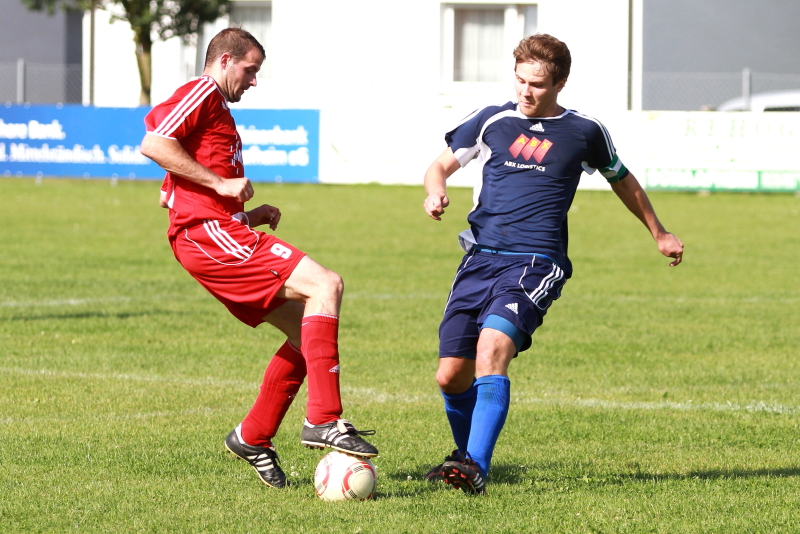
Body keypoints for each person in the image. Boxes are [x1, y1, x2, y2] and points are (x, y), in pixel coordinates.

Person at [421, 33, 684, 495]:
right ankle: (464, 457)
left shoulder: (584, 131)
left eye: (537, 84)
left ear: (560, 83)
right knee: (450, 375)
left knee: (492, 349)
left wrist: (659, 233)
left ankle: (476, 468)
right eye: (520, 80)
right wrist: (435, 190)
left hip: (536, 262)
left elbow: (623, 181)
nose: (526, 91)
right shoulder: (491, 119)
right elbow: (439, 166)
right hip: (479, 258)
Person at [139, 28, 377, 490]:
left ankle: (252, 436)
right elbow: (154, 143)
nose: (253, 81)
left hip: (215, 232)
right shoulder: (202, 90)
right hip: (206, 236)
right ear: (225, 60)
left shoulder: (217, 109)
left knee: (306, 334)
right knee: (326, 284)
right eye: (250, 70)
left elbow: (181, 192)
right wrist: (220, 184)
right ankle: (324, 419)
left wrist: (247, 214)